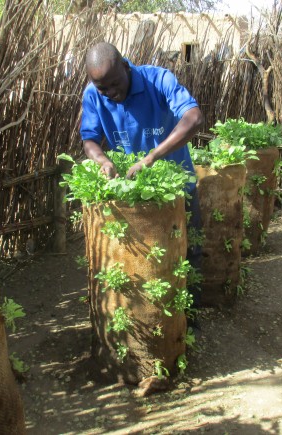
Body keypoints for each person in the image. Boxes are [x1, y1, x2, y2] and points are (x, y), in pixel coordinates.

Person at [80, 41, 204, 324]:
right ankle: (145, 322)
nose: (111, 93)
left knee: (188, 251)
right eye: (103, 89)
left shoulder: (158, 79)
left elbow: (194, 118)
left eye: (114, 84)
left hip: (177, 188)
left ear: (126, 66)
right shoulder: (93, 95)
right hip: (131, 195)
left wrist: (151, 158)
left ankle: (187, 321)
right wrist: (103, 161)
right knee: (136, 261)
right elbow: (89, 139)